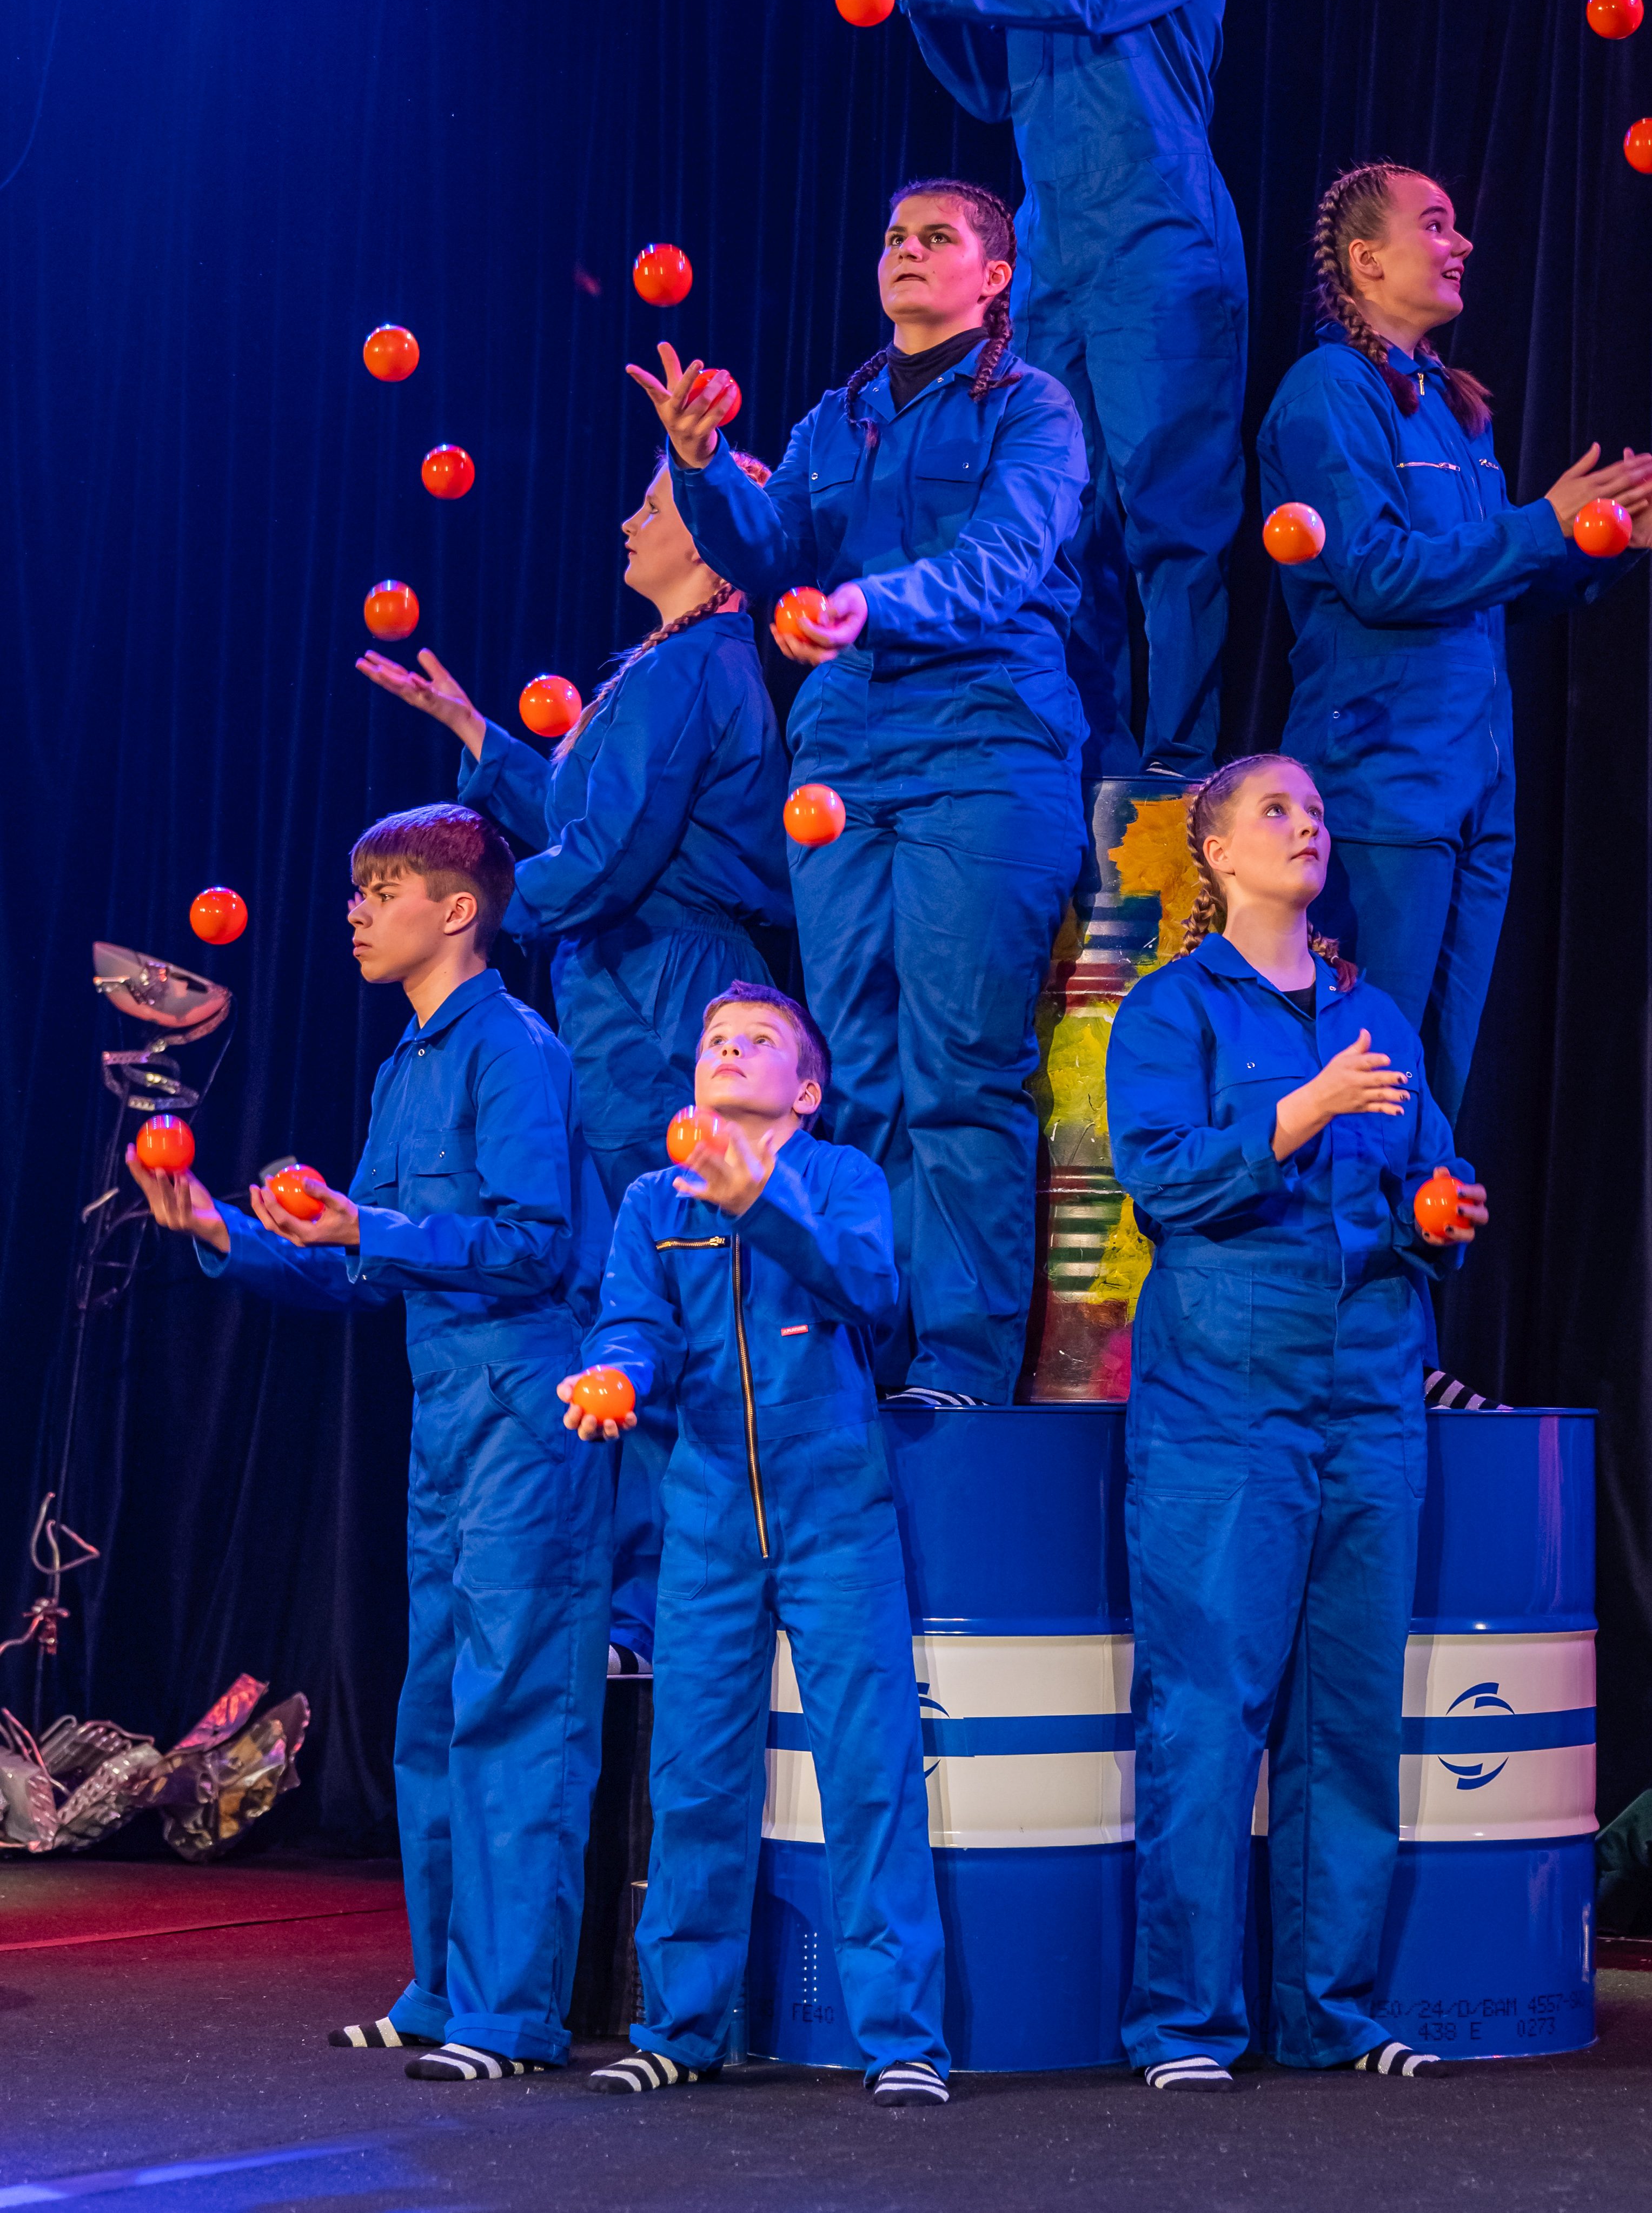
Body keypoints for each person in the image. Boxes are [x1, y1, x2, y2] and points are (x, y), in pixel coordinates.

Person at [130, 805, 612, 2085]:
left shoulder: (512, 1049)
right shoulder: (408, 1064)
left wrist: (365, 1227)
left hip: (525, 1404)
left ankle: (510, 2016)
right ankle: (443, 1988)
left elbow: (534, 1246)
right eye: (357, 890)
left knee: (515, 1706)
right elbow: (364, 1269)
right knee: (433, 1708)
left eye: (383, 888)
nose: (356, 911)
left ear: (457, 910)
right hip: (445, 1409)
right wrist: (225, 1231)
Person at [632, 177, 1087, 1409]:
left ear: (995, 275)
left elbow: (1004, 560)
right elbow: (764, 548)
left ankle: (960, 1367)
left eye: (939, 237)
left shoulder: (1029, 405)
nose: (907, 251)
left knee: (960, 1069)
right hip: (842, 765)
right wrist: (702, 465)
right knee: (862, 1070)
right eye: (893, 235)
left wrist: (866, 605)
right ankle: (880, 1356)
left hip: (981, 749)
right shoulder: (835, 421)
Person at [357, 451, 791, 1655]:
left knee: (664, 1279)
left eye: (652, 505)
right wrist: (477, 736)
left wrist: (469, 910)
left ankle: (668, 1612)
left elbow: (605, 858)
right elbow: (585, 819)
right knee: (620, 1284)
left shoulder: (695, 665)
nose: (627, 518)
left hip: (664, 984)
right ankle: (636, 1604)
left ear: (710, 539)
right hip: (623, 978)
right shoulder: (660, 664)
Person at [1104, 754, 1486, 2089]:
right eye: (1277, 809)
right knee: (1211, 1709)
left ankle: (1334, 2014)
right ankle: (1183, 2026)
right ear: (1213, 851)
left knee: (1350, 1714)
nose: (1307, 824)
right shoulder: (1172, 1009)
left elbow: (1427, 1170)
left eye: (1317, 811)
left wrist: (1441, 1210)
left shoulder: (1373, 1014)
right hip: (1228, 1401)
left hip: (1370, 1392)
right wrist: (1301, 1109)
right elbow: (1160, 1180)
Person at [1259, 159, 1652, 1128]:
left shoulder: (1447, 404)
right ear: (1367, 260)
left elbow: (1489, 586)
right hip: (1383, 774)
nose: (1462, 243)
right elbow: (1379, 572)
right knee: (1370, 1073)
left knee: (1438, 1085)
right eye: (1435, 225)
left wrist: (1603, 546)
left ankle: (1416, 1231)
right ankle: (1353, 1233)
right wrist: (1544, 523)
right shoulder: (1331, 390)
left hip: (1474, 780)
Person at [820, 0, 1243, 781]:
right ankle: (1086, 765)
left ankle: (1174, 776)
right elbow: (989, 86)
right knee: (1065, 521)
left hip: (1157, 235)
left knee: (1171, 515)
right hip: (1056, 251)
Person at [561, 983, 949, 2106]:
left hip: (836, 1514)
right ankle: (681, 2030)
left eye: (759, 1040)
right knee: (694, 1778)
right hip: (710, 1519)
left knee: (870, 1774)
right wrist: (613, 1376)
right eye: (715, 1040)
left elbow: (872, 1290)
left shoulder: (843, 1178)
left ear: (807, 1092)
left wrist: (764, 1199)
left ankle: (902, 2041)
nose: (729, 1050)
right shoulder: (655, 1198)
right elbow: (634, 1325)